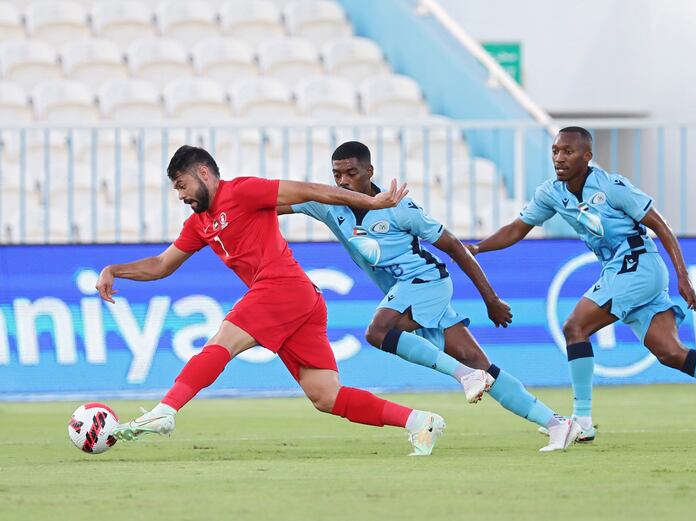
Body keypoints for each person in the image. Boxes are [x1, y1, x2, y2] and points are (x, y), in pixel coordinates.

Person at [95, 145, 447, 456]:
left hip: (281, 287)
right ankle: (419, 421)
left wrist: (370, 202)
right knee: (326, 396)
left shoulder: (245, 191)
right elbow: (161, 265)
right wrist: (115, 269)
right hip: (301, 300)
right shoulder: (198, 224)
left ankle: (166, 410)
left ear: (204, 174)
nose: (181, 195)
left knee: (223, 341)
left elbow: (311, 191)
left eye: (182, 185)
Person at [468, 126, 696, 442]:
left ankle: (583, 421)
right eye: (555, 151)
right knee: (670, 352)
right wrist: (477, 248)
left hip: (638, 264)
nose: (559, 158)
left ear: (587, 157)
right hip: (618, 269)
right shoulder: (551, 192)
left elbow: (660, 225)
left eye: (568, 152)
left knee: (575, 327)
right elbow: (516, 229)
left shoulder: (611, 186)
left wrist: (683, 276)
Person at [279, 141, 580, 452]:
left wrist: (490, 299)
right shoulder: (331, 206)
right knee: (482, 365)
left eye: (351, 173)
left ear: (369, 172)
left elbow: (454, 247)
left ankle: (465, 376)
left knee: (378, 332)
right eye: (337, 175)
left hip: (427, 282)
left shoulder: (400, 209)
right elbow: (274, 203)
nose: (343, 182)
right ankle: (558, 424)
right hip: (406, 295)